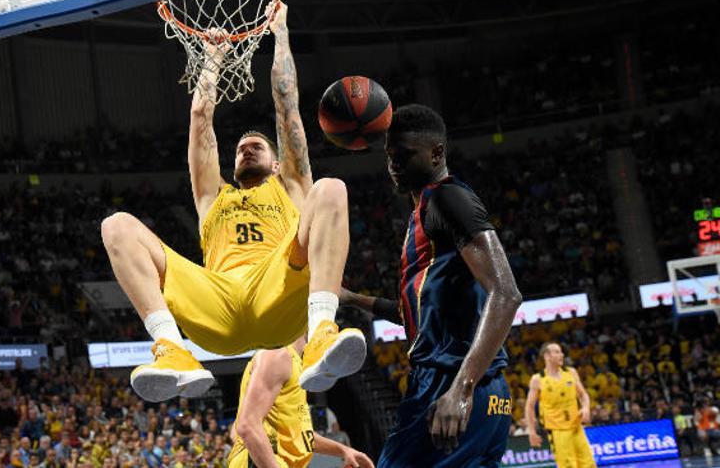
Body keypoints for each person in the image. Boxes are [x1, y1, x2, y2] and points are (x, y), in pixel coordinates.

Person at [100, 1, 365, 403]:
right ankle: (173, 350)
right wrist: (212, 59)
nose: (246, 149)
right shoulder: (212, 196)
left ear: (277, 163)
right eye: (241, 148)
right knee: (116, 225)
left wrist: (280, 34)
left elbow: (287, 104)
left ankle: (321, 333)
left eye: (256, 146)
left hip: (276, 292)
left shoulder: (289, 184)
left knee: (330, 189)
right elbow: (201, 119)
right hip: (216, 305)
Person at [340, 104, 522, 467]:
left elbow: (506, 294)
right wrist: (350, 298)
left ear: (436, 153)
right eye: (389, 156)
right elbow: (416, 316)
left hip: (450, 384)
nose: (393, 164)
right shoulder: (423, 213)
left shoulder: (446, 196)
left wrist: (461, 389)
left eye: (404, 155)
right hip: (489, 394)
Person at [227, 336, 374, 468]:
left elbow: (301, 435)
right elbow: (247, 426)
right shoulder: (278, 355)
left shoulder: (296, 364)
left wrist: (343, 450)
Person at [525, 343, 596, 468]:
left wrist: (585, 408)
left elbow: (583, 395)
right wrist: (531, 431)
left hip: (576, 427)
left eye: (561, 352)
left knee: (589, 464)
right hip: (557, 430)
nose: (561, 355)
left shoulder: (571, 372)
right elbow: (529, 407)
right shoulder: (538, 379)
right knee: (568, 466)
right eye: (557, 352)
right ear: (547, 356)